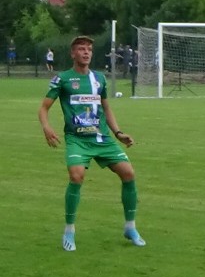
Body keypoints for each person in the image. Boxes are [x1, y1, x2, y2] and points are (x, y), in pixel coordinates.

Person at [37, 36, 145, 252]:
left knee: (129, 174)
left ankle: (130, 227)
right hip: (77, 139)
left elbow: (106, 108)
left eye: (89, 49)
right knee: (76, 176)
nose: (86, 52)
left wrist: (118, 133)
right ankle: (69, 230)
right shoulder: (63, 79)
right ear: (72, 54)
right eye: (81, 49)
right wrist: (46, 127)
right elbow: (44, 108)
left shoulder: (99, 79)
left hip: (102, 138)